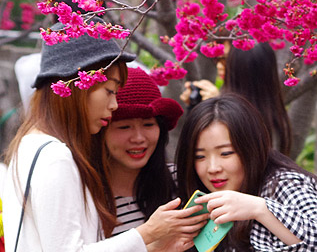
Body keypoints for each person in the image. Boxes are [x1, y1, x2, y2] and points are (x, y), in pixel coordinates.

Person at [2, 23, 207, 251]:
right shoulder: (55, 157)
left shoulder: (29, 144)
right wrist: (147, 232)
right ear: (77, 89)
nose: (114, 105)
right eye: (110, 91)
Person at [175, 94, 317, 252]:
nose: (213, 167)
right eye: (200, 157)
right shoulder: (200, 203)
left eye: (226, 153)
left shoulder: (285, 185)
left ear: (251, 148)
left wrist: (259, 209)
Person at [104, 67, 183, 234]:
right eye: (124, 127)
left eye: (148, 124)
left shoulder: (181, 181)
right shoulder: (86, 198)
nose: (138, 138)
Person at [180, 42, 293, 156]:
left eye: (224, 59)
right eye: (218, 59)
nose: (219, 65)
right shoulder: (274, 117)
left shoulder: (264, 126)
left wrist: (218, 109)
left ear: (244, 66)